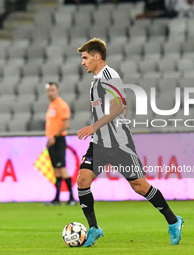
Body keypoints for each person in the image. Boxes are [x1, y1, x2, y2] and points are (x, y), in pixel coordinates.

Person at [76, 38, 184, 247]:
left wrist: (93, 127)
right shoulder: (95, 81)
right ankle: (94, 228)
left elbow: (118, 107)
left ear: (97, 57)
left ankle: (173, 221)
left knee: (140, 186)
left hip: (119, 144)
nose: (83, 62)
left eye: (85, 57)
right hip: (99, 144)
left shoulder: (110, 76)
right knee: (82, 180)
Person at [45, 82, 77, 206]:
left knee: (62, 168)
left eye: (52, 90)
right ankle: (57, 198)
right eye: (48, 90)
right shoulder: (52, 105)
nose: (50, 93)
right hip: (52, 140)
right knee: (57, 170)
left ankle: (71, 197)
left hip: (58, 140)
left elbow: (66, 124)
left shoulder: (61, 105)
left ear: (58, 91)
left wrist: (54, 136)